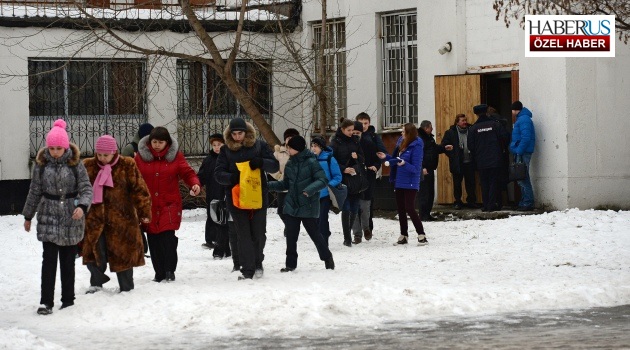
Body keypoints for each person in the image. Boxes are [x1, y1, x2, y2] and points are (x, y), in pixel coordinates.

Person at [22, 119, 93, 315]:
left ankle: (68, 300)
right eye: (51, 148)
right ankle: (46, 302)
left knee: (68, 261)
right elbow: (34, 191)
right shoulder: (41, 165)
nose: (54, 152)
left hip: (71, 217)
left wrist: (83, 206)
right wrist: (28, 215)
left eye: (58, 148)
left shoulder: (75, 164)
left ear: (65, 147)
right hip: (48, 216)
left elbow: (86, 189)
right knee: (49, 260)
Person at [82, 135, 152, 293]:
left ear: (114, 152)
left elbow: (139, 189)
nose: (102, 158)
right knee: (94, 252)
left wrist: (143, 210)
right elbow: (80, 189)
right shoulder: (88, 166)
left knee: (123, 254)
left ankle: (126, 287)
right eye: (99, 154)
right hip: (95, 218)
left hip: (122, 219)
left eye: (105, 155)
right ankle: (96, 283)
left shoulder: (127, 165)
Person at [214, 118, 279, 280]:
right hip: (236, 198)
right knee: (243, 233)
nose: (237, 137)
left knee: (258, 232)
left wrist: (262, 162)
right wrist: (232, 177)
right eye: (234, 134)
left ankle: (258, 262)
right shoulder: (225, 150)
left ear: (246, 132)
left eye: (240, 133)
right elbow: (218, 174)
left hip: (258, 196)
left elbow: (275, 166)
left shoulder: (259, 146)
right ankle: (247, 269)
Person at [135, 127, 201, 283]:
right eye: (154, 142)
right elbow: (133, 177)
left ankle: (170, 270)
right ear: (150, 142)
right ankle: (159, 273)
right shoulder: (140, 158)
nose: (157, 145)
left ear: (167, 143)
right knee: (153, 239)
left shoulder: (175, 157)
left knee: (167, 238)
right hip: (148, 205)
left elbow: (187, 173)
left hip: (169, 204)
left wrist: (194, 184)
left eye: (161, 142)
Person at [269, 136, 335, 272]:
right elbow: (285, 184)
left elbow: (322, 180)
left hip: (308, 205)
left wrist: (309, 190)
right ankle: (290, 264)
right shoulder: (290, 163)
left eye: (290, 147)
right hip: (292, 204)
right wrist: (268, 185)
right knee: (291, 237)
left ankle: (327, 258)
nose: (287, 149)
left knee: (315, 235)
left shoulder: (311, 162)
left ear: (297, 148)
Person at [377, 123, 427, 246]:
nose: (401, 134)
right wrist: (386, 157)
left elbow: (416, 168)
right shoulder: (401, 142)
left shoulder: (417, 145)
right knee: (400, 208)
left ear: (409, 134)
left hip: (410, 181)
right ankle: (403, 235)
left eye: (403, 132)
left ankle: (422, 235)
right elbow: (396, 159)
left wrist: (404, 163)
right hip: (399, 180)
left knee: (410, 208)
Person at [467, 104, 509, 213]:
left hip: (481, 160)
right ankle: (492, 204)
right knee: (494, 182)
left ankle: (486, 205)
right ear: (486, 112)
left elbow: (470, 146)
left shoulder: (473, 128)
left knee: (484, 183)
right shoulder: (495, 125)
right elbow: (505, 137)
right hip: (495, 159)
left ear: (476, 114)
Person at [329, 119, 364, 247]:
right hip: (342, 178)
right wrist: (344, 169)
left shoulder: (355, 140)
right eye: (348, 130)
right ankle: (347, 238)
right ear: (342, 129)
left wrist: (357, 159)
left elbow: (362, 157)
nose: (351, 132)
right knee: (346, 207)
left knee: (355, 207)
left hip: (354, 178)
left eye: (352, 130)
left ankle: (348, 233)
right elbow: (331, 160)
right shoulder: (335, 142)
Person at [121, 122, 153, 257]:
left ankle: (142, 247)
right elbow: (123, 167)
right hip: (133, 188)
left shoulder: (153, 147)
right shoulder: (130, 148)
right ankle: (140, 247)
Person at [197, 133, 231, 258]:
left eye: (219, 144)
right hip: (212, 193)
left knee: (225, 218)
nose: (217, 147)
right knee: (212, 216)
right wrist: (197, 185)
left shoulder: (228, 158)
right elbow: (202, 176)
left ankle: (225, 243)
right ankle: (210, 239)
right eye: (214, 145)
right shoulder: (208, 160)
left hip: (226, 193)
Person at [351, 120, 381, 244]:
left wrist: (375, 166)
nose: (356, 135)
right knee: (354, 207)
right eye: (353, 132)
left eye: (358, 132)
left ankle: (367, 227)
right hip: (352, 179)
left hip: (367, 178)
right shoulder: (347, 145)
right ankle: (357, 234)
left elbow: (377, 159)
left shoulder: (368, 144)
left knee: (365, 206)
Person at [441, 114, 478, 210]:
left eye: (465, 120)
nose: (465, 122)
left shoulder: (471, 130)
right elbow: (444, 146)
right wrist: (453, 156)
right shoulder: (450, 132)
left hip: (469, 161)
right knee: (457, 183)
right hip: (457, 162)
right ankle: (458, 201)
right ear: (457, 122)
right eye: (462, 120)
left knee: (471, 183)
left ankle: (471, 201)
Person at [310, 137, 343, 246]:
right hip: (313, 195)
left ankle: (324, 240)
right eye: (312, 146)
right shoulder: (310, 159)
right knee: (315, 219)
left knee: (323, 218)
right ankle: (320, 238)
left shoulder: (330, 158)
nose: (313, 148)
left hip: (325, 194)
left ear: (321, 147)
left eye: (315, 146)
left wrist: (328, 186)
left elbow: (338, 176)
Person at [417, 120, 451, 221]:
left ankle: (427, 214)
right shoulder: (420, 139)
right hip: (424, 170)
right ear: (426, 128)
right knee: (424, 193)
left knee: (430, 193)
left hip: (430, 168)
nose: (432, 129)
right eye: (431, 127)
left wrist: (444, 148)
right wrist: (422, 168)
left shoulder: (428, 138)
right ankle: (423, 215)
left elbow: (434, 149)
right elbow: (418, 155)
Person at [270, 128, 300, 237]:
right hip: (282, 185)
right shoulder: (278, 152)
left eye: (292, 138)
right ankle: (289, 226)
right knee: (281, 210)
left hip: (296, 186)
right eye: (288, 138)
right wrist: (278, 175)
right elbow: (271, 167)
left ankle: (291, 228)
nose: (290, 140)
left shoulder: (300, 152)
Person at [509, 101, 536, 211]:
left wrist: (519, 150)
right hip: (521, 151)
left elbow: (526, 137)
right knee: (522, 177)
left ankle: (527, 202)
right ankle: (524, 201)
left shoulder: (523, 120)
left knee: (523, 178)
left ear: (515, 110)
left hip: (523, 152)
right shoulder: (522, 119)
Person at [488, 106, 511, 210]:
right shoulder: (502, 122)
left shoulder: (490, 123)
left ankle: (496, 202)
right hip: (502, 154)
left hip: (492, 155)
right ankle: (504, 201)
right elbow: (506, 137)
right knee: (502, 179)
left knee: (492, 180)